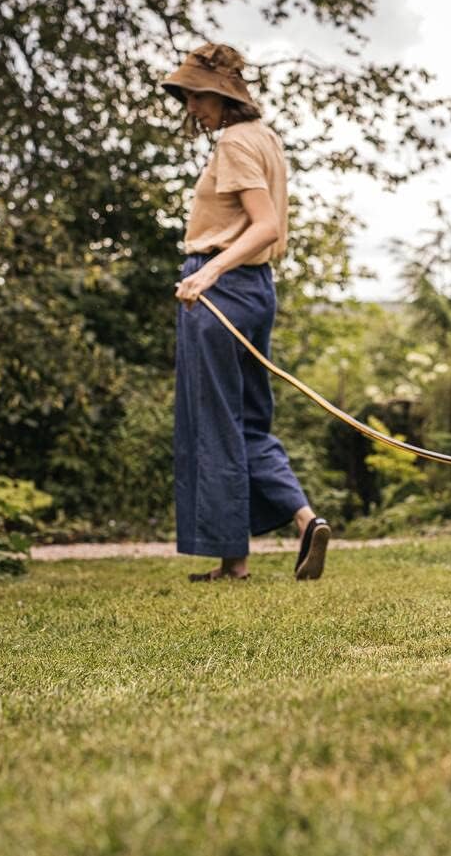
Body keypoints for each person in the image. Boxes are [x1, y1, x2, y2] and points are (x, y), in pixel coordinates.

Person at [162, 42, 331, 582]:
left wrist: (207, 273)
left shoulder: (235, 143)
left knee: (213, 423)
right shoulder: (265, 138)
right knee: (248, 421)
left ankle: (232, 560)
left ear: (221, 95)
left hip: (221, 291)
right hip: (257, 289)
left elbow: (266, 225)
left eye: (196, 97)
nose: (192, 108)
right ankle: (306, 522)